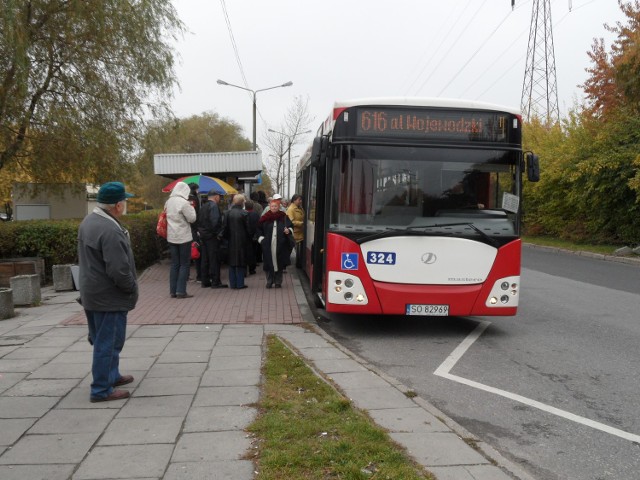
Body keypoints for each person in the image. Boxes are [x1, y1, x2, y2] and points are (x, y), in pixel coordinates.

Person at [77, 182, 138, 402]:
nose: (125, 204)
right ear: (117, 205)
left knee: (105, 339)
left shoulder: (90, 221)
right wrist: (131, 287)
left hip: (93, 292)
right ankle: (101, 389)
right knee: (108, 342)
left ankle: (112, 376)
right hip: (108, 296)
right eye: (124, 200)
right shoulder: (109, 228)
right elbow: (118, 269)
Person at [165, 181, 197, 298]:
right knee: (184, 264)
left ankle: (173, 291)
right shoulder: (184, 203)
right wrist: (192, 208)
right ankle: (181, 291)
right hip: (183, 237)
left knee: (175, 264)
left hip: (171, 236)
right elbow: (192, 219)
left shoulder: (168, 202)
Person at [257, 199, 294, 288]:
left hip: (280, 245)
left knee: (279, 263)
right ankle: (269, 281)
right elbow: (258, 229)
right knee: (268, 263)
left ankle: (278, 281)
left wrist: (288, 230)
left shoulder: (284, 217)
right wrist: (261, 239)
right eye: (272, 206)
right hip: (268, 245)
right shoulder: (264, 218)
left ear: (279, 207)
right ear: (270, 207)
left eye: (275, 206)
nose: (274, 208)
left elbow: (291, 226)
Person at [198, 189, 227, 288]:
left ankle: (205, 281)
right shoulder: (214, 206)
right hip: (211, 237)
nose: (219, 198)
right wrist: (217, 234)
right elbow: (215, 222)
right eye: (219, 196)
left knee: (204, 259)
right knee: (214, 259)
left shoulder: (203, 206)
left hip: (203, 236)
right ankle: (215, 282)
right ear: (216, 196)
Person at [226, 194, 250, 289]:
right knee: (241, 262)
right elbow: (248, 229)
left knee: (231, 263)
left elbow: (225, 228)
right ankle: (240, 284)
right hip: (242, 241)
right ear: (242, 202)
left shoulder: (227, 213)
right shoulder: (244, 213)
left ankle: (233, 284)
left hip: (230, 241)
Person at [187, 183, 202, 282]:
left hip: (184, 230)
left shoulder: (185, 199)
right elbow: (195, 215)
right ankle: (199, 276)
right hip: (193, 229)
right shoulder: (194, 199)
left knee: (186, 253)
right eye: (197, 189)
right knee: (196, 251)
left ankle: (186, 275)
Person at [287, 193, 305, 268]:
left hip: (300, 233)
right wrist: (302, 223)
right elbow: (291, 222)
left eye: (301, 200)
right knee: (289, 249)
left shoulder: (300, 208)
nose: (300, 201)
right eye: (299, 200)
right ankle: (284, 265)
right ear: (294, 200)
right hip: (294, 233)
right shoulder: (291, 209)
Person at [245, 199, 260, 275]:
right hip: (254, 237)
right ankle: (252, 269)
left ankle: (246, 268)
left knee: (246, 253)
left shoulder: (244, 214)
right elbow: (258, 225)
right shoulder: (256, 214)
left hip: (246, 237)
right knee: (253, 253)